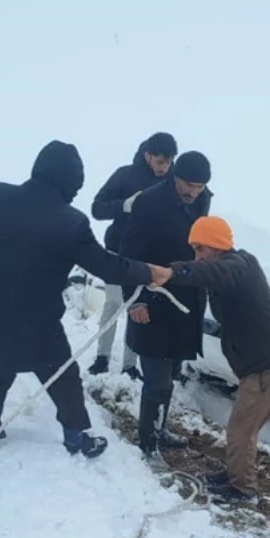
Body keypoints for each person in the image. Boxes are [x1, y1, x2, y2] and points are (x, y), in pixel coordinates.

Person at [0, 140, 173, 461]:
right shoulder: (69, 222)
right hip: (39, 326)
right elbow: (106, 265)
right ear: (71, 183)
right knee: (64, 379)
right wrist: (148, 272)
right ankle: (76, 436)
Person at [168, 216, 270, 502]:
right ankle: (235, 476)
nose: (197, 256)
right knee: (242, 427)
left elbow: (218, 274)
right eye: (194, 250)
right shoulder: (232, 271)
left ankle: (243, 489)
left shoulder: (240, 265)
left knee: (242, 428)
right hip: (262, 367)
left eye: (201, 249)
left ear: (216, 246)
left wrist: (172, 273)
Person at [121, 149, 213, 455]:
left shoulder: (203, 201)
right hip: (152, 300)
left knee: (171, 375)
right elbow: (129, 254)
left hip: (186, 301)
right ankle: (149, 444)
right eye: (188, 184)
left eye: (198, 187)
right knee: (156, 380)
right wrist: (133, 300)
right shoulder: (149, 202)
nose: (192, 192)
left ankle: (159, 428)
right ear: (175, 176)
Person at [87, 131, 177, 375]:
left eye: (169, 162)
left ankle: (130, 365)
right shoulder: (124, 175)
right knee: (115, 303)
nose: (165, 167)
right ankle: (102, 358)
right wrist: (124, 205)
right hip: (117, 251)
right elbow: (97, 208)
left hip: (150, 258)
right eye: (160, 161)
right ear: (148, 155)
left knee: (139, 307)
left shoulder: (172, 182)